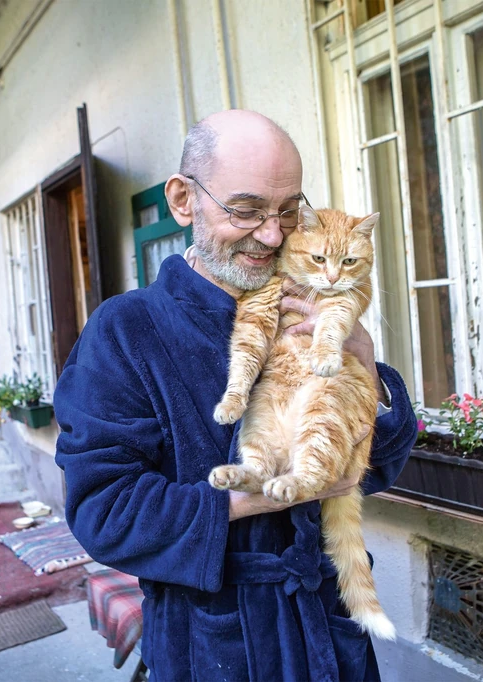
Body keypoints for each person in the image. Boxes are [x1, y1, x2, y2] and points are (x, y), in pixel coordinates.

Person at [54, 110, 418, 682]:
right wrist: (269, 495)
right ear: (183, 200)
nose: (272, 235)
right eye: (246, 211)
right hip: (216, 644)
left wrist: (367, 367)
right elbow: (104, 512)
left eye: (288, 210)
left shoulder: (311, 299)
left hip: (329, 627)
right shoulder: (126, 331)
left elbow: (382, 466)